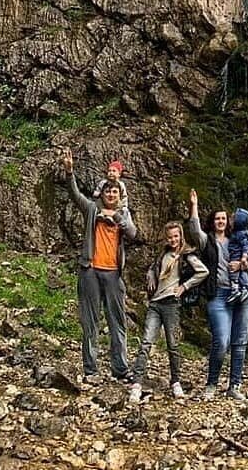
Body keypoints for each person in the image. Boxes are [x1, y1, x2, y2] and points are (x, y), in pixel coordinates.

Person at [60, 148, 137, 383]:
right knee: (90, 321)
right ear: (102, 193)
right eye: (107, 191)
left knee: (117, 321)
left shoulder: (124, 214)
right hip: (90, 270)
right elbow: (75, 195)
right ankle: (91, 369)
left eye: (114, 191)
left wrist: (120, 219)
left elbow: (133, 234)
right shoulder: (92, 209)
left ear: (119, 194)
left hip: (113, 273)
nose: (111, 194)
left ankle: (120, 369)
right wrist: (69, 171)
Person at [128, 221, 208, 404]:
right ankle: (137, 384)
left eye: (176, 236)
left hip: (172, 304)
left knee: (173, 345)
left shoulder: (186, 255)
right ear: (166, 238)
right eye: (170, 237)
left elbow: (203, 272)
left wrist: (184, 287)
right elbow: (154, 268)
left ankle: (176, 381)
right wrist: (150, 274)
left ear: (181, 236)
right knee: (146, 342)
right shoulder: (162, 254)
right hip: (155, 303)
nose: (173, 239)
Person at [188, 188, 248, 401]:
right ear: (213, 221)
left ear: (228, 221)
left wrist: (243, 263)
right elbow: (193, 228)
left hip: (243, 294)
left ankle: (234, 385)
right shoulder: (206, 240)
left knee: (240, 342)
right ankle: (211, 384)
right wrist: (194, 206)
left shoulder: (238, 237)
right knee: (221, 341)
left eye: (224, 218)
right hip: (218, 295)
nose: (220, 221)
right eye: (217, 218)